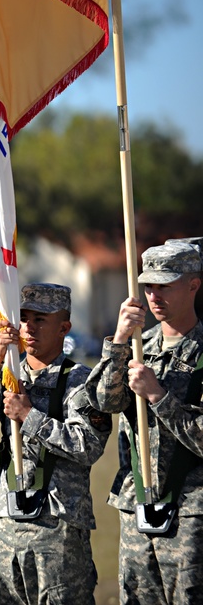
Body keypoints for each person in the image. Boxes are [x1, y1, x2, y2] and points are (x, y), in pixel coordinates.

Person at [0, 283, 111, 604]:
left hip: (58, 523)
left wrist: (29, 415)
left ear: (64, 328)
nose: (28, 327)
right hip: (7, 517)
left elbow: (87, 447)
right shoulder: (7, 373)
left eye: (40, 319)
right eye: (23, 318)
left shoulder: (82, 380)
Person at [85, 241, 203, 604]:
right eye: (148, 285)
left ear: (193, 285)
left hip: (191, 511)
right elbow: (104, 402)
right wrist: (119, 340)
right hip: (137, 503)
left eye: (164, 285)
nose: (154, 295)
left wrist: (158, 396)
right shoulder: (139, 345)